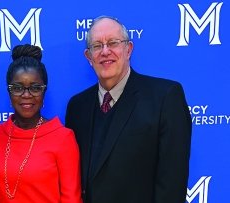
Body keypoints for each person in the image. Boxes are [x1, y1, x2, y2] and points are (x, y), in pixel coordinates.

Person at [65, 16, 192, 203]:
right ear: (89, 57)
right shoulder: (77, 106)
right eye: (97, 46)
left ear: (128, 49)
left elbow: (172, 183)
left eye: (113, 43)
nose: (105, 51)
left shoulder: (165, 97)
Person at [0, 44, 82, 203]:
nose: (26, 95)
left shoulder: (63, 137)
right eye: (18, 88)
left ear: (44, 91)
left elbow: (72, 199)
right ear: (9, 92)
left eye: (35, 88)